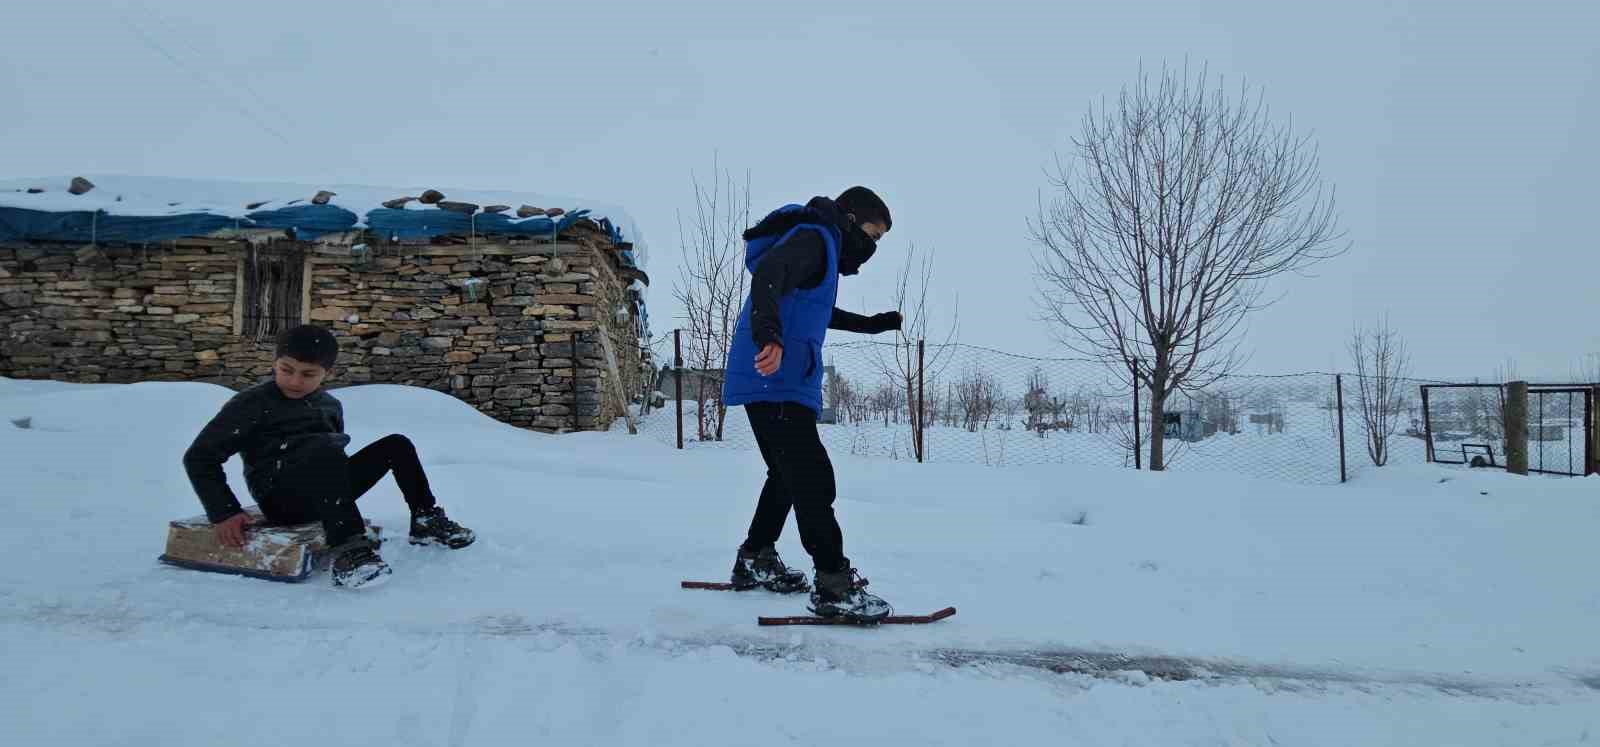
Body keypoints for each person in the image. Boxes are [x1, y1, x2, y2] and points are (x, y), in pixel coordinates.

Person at [721, 186, 903, 622]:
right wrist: (770, 336)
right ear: (852, 219)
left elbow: (817, 310)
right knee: (811, 478)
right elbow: (769, 275)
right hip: (775, 377)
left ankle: (756, 559)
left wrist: (871, 325)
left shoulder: (821, 246)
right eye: (872, 236)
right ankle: (834, 586)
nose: (871, 248)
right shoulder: (815, 237)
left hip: (779, 380)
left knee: (786, 477)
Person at [182, 324, 474, 589]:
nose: (295, 381)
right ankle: (349, 551)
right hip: (281, 500)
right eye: (286, 369)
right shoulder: (251, 404)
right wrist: (224, 511)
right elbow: (200, 457)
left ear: (327, 373)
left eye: (308, 374)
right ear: (275, 364)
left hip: (323, 492)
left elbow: (333, 461)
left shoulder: (328, 405)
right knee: (323, 449)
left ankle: (425, 520)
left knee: (396, 445)